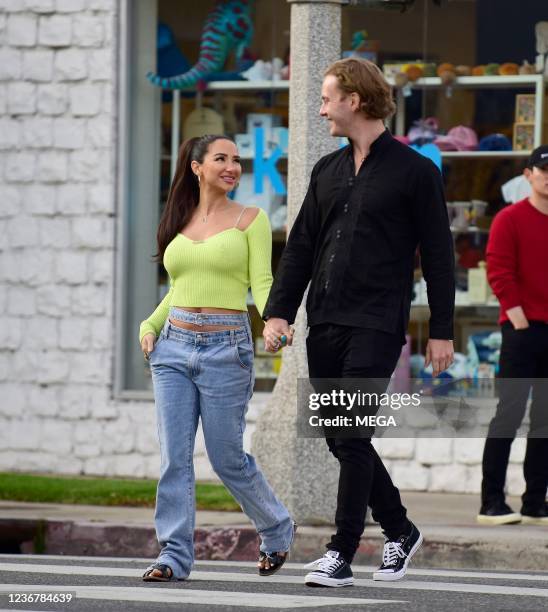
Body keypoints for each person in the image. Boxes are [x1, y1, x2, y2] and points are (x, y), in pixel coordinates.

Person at [262, 58, 455, 587]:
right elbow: (300, 245)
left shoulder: (416, 171)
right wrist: (280, 311)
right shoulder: (326, 169)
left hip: (376, 320)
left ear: (356, 100)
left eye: (327, 99)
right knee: (342, 438)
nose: (321, 108)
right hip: (324, 316)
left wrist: (442, 329)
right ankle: (400, 529)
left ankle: (341, 552)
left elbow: (440, 256)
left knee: (350, 431)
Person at [139, 134, 295, 582]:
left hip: (227, 348)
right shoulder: (179, 218)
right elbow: (179, 290)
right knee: (174, 456)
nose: (232, 166)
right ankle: (173, 555)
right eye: (221, 158)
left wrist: (274, 320)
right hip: (172, 346)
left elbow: (262, 282)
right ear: (196, 166)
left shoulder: (252, 219)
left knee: (227, 458)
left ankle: (277, 527)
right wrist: (150, 325)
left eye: (236, 159)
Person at [478, 145, 548, 526]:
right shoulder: (510, 218)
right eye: (543, 169)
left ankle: (536, 501)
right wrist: (519, 319)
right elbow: (500, 273)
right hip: (522, 331)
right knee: (509, 414)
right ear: (528, 175)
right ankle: (491, 502)